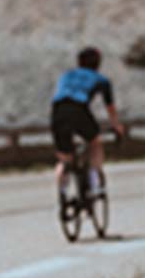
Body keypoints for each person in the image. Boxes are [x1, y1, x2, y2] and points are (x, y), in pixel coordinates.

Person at [50, 46, 125, 199]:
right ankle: (94, 181)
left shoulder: (66, 75)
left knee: (65, 158)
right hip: (78, 109)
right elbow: (110, 108)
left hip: (57, 110)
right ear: (98, 64)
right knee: (95, 142)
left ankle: (62, 191)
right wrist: (116, 126)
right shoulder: (101, 80)